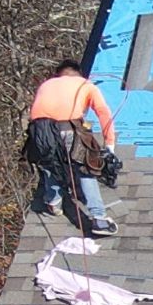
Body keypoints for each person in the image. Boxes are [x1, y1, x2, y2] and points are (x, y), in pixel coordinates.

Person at [25, 60, 119, 237]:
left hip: (38, 131)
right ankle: (98, 218)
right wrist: (110, 144)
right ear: (78, 74)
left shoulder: (46, 84)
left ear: (58, 74)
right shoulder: (85, 84)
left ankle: (54, 202)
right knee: (85, 169)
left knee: (50, 166)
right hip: (68, 128)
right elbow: (103, 112)